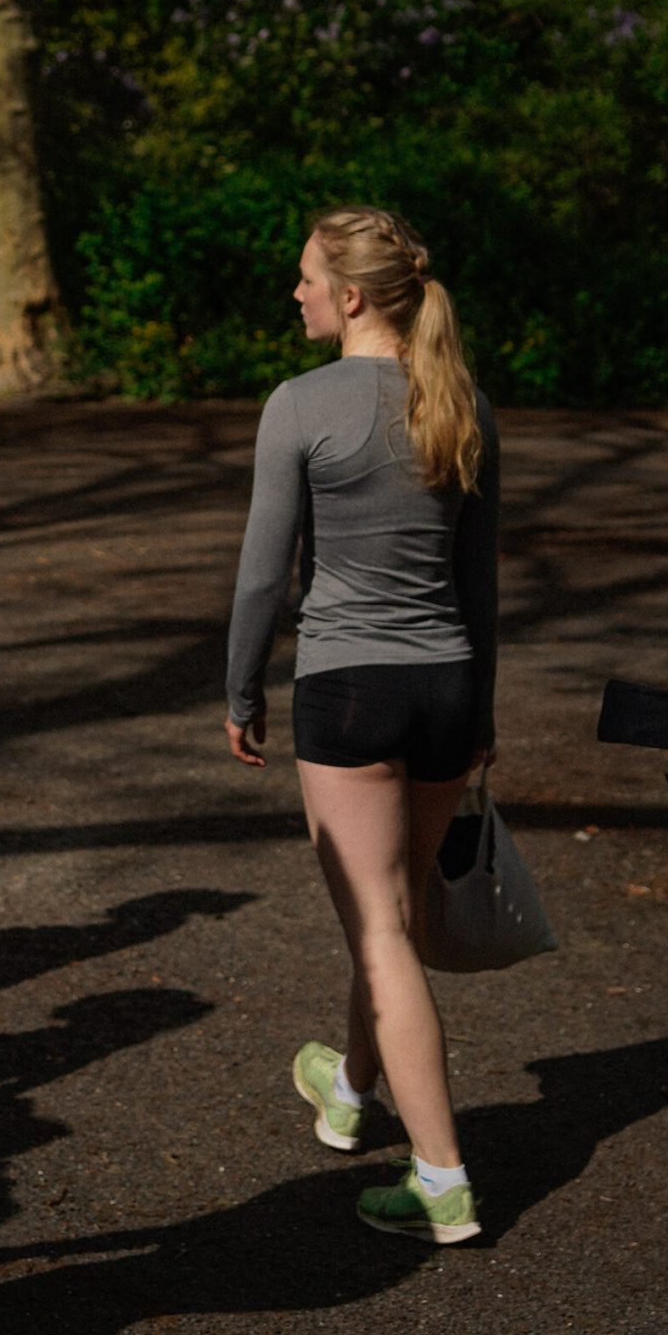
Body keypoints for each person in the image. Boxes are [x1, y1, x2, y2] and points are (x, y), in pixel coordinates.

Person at [225, 207, 498, 1245]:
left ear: (348, 296)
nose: (293, 293)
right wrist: (483, 716)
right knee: (390, 916)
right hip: (445, 693)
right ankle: (347, 1089)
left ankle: (442, 1177)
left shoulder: (300, 406)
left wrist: (242, 692)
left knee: (382, 932)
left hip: (348, 691)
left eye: (303, 278)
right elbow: (481, 582)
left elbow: (263, 577)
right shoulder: (463, 400)